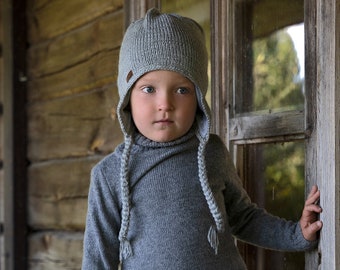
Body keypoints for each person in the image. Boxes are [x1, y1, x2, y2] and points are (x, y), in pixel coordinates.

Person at [82, 8, 323, 269]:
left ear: (198, 100)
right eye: (149, 89)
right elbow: (97, 261)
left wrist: (296, 234)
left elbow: (243, 218)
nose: (165, 103)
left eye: (182, 89)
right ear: (127, 96)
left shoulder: (211, 153)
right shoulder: (110, 176)